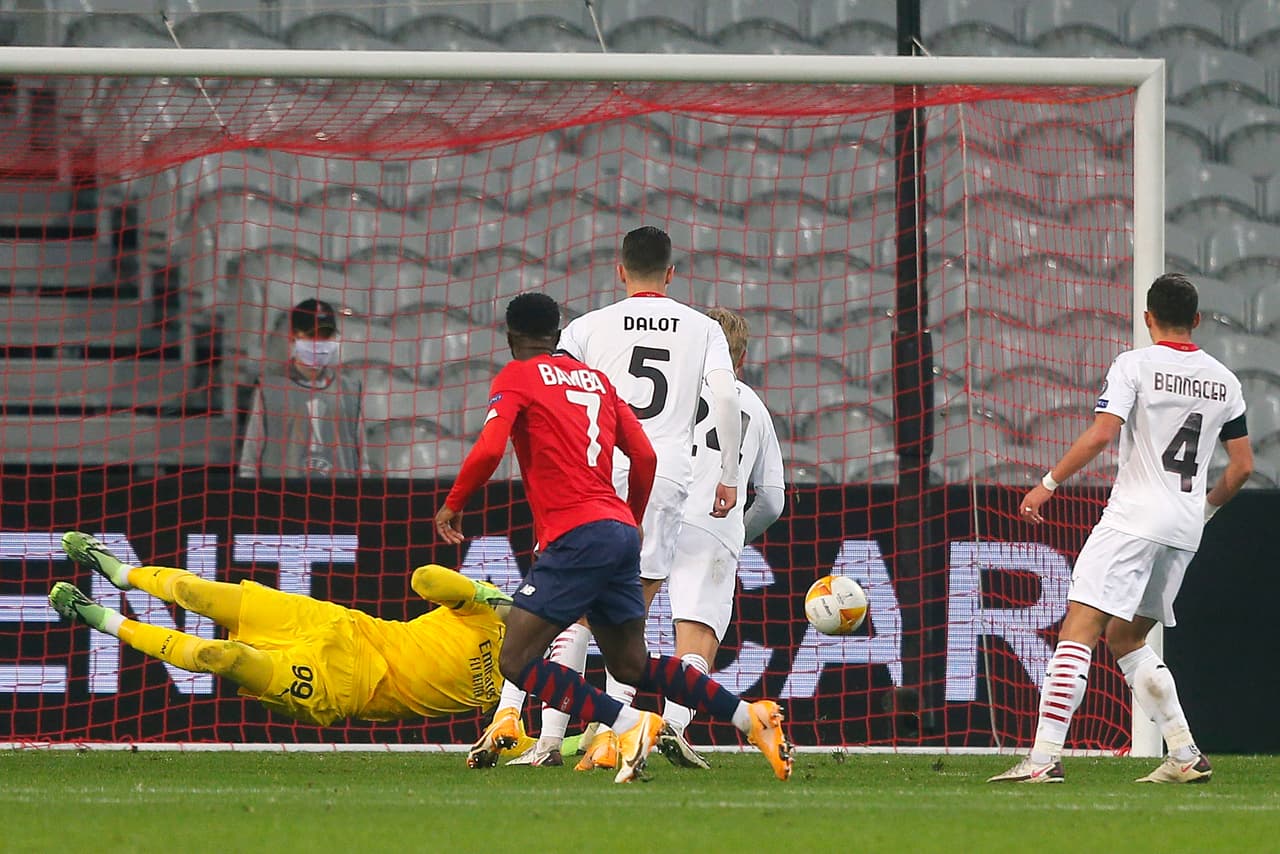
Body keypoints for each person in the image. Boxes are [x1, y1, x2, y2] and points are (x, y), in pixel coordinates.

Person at [435, 292, 791, 783]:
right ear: (557, 334)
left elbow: (490, 448)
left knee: (516, 658)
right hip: (623, 529)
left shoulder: (518, 376)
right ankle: (749, 716)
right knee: (631, 663)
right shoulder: (598, 382)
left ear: (511, 337)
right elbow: (645, 455)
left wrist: (454, 501)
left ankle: (617, 725)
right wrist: (635, 518)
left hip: (575, 533)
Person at [989, 273, 1253, 784]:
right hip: (1183, 528)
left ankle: (1043, 758)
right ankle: (1184, 753)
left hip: (1133, 518)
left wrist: (1048, 483)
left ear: (1147, 317)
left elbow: (1102, 433)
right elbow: (1242, 467)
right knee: (1126, 636)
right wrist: (1203, 511)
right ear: (1197, 320)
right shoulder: (1225, 381)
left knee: (1079, 628)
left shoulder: (1134, 364)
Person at [499, 226, 744, 770]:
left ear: (620, 270)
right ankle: (614, 736)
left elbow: (553, 387)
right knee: (630, 615)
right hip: (663, 473)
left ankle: (551, 741)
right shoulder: (703, 327)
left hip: (596, 469)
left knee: (574, 612)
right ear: (671, 273)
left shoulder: (588, 326)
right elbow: (725, 396)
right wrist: (728, 474)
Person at [49, 531, 518, 729]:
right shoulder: (487, 612)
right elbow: (425, 579)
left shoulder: (511, 689)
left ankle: (103, 619)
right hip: (337, 625)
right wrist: (487, 594)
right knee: (196, 593)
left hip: (339, 688)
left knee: (222, 657)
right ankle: (122, 573)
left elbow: (510, 734)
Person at [656, 307, 787, 769]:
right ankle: (672, 725)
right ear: (742, 357)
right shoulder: (753, 406)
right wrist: (735, 536)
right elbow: (772, 500)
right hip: (712, 524)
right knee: (696, 641)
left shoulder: (664, 390)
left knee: (616, 627)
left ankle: (601, 729)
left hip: (653, 512)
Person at [238, 297, 365, 478]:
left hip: (339, 494)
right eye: (312, 335)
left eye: (326, 336)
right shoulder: (269, 390)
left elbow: (363, 464)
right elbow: (249, 463)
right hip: (284, 495)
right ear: (294, 337)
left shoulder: (350, 391)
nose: (319, 343)